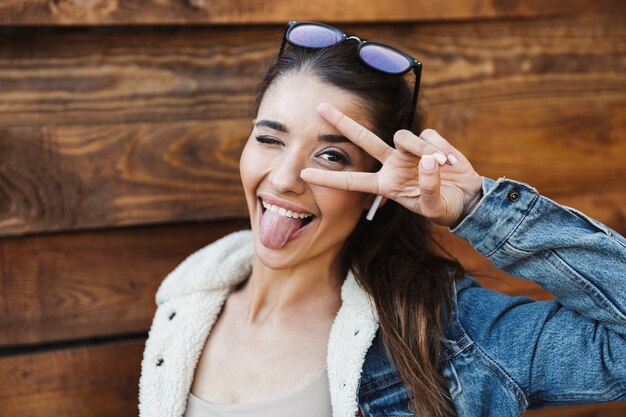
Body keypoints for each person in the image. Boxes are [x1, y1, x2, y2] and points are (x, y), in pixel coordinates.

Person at [138, 21, 626, 417]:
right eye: (270, 139)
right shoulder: (187, 305)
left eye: (331, 156)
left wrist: (479, 207)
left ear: (378, 188)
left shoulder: (445, 333)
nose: (286, 178)